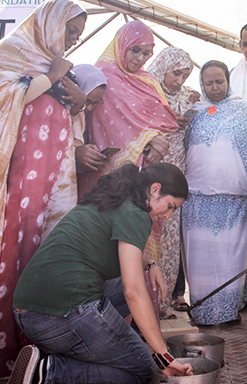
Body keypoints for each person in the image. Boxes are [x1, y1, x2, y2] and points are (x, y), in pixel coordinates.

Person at [0, 0, 92, 381]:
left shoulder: (54, 65)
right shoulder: (14, 52)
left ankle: (41, 353)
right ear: (50, 22)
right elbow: (4, 103)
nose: (72, 40)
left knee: (45, 252)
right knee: (15, 252)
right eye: (70, 31)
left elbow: (67, 115)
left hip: (53, 182)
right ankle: (2, 352)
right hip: (19, 182)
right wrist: (54, 75)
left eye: (78, 35)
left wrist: (77, 102)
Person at [2, 163, 191, 384]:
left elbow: (123, 257)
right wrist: (163, 354)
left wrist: (151, 265)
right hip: (59, 315)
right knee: (141, 370)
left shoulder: (112, 200)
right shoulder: (136, 215)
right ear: (155, 189)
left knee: (124, 288)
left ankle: (72, 355)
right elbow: (133, 292)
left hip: (28, 311)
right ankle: (47, 370)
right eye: (170, 206)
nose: (167, 215)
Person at [79, 20, 179, 281]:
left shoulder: (147, 81)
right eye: (135, 50)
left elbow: (164, 121)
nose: (140, 58)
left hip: (145, 173)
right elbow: (99, 123)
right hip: (110, 173)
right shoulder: (102, 76)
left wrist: (157, 139)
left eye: (147, 53)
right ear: (121, 44)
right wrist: (147, 139)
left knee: (142, 233)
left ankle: (142, 304)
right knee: (110, 239)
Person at [183, 60, 247, 325]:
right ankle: (202, 312)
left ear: (229, 80)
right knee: (200, 261)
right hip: (197, 198)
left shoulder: (245, 111)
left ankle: (227, 312)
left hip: (235, 198)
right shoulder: (194, 112)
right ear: (202, 85)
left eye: (219, 81)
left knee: (231, 259)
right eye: (208, 83)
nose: (214, 88)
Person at [145, 47, 200, 314]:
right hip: (154, 173)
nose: (179, 80)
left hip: (177, 172)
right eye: (175, 73)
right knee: (150, 230)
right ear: (163, 68)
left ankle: (164, 300)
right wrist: (163, 125)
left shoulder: (188, 97)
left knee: (170, 237)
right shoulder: (147, 92)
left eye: (185, 74)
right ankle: (144, 299)